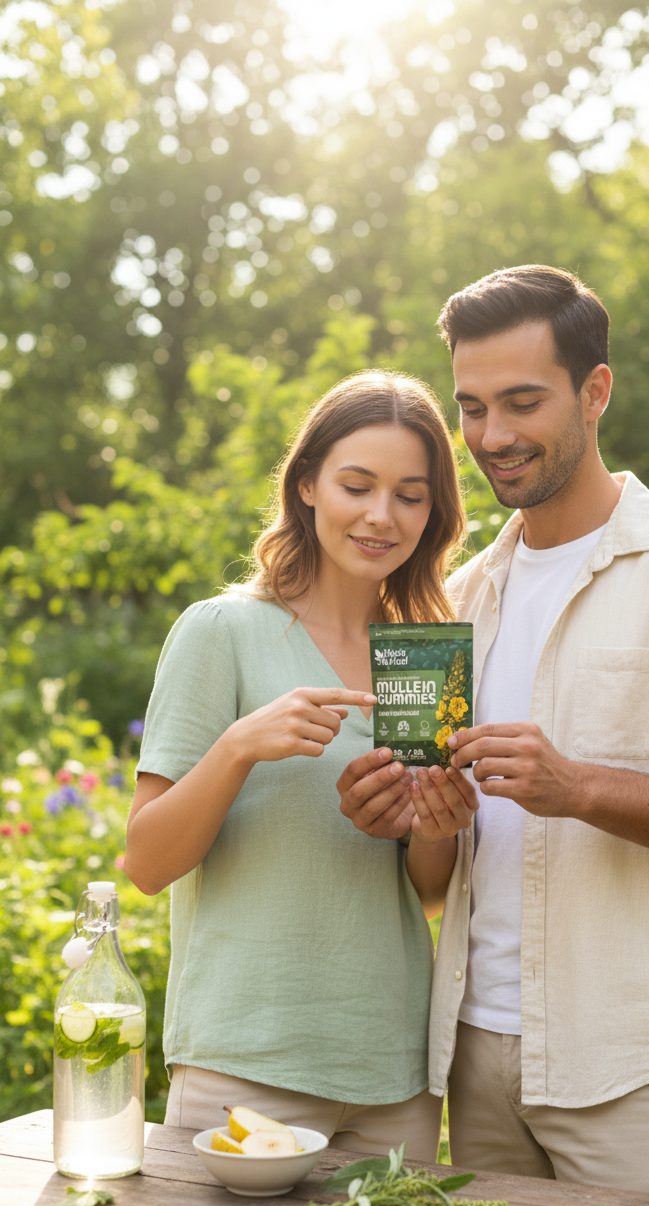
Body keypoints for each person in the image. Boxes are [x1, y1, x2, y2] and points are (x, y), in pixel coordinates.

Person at [338, 266, 649, 1206]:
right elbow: (434, 882)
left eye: (521, 402)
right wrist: (417, 819)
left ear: (595, 392)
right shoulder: (458, 599)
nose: (491, 435)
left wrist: (578, 786)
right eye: (471, 407)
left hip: (629, 1059)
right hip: (475, 1049)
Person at [124, 369, 478, 1161]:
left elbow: (425, 893)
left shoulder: (424, 657)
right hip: (246, 1059)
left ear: (434, 512)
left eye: (410, 495)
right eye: (357, 485)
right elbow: (146, 863)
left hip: (394, 1071)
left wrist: (436, 825)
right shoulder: (220, 632)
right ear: (308, 484)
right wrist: (240, 746)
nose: (382, 515)